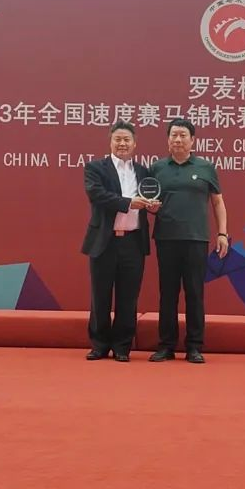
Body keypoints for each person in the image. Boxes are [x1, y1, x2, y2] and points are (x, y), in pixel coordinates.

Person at [146, 118, 228, 363]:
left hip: (196, 239)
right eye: (174, 135)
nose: (178, 139)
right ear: (168, 139)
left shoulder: (206, 167)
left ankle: (194, 346)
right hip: (166, 238)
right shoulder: (157, 168)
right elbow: (148, 201)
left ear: (193, 140)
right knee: (167, 294)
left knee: (194, 293)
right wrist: (151, 207)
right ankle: (166, 345)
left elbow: (218, 202)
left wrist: (222, 233)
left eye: (183, 135)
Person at [80, 122, 154, 362]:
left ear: (135, 144)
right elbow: (97, 195)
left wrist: (152, 206)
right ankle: (99, 345)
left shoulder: (143, 172)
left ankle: (122, 346)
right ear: (110, 142)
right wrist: (129, 203)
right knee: (100, 295)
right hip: (104, 241)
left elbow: (150, 198)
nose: (122, 144)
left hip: (133, 242)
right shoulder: (95, 168)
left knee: (128, 297)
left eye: (126, 140)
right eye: (118, 139)